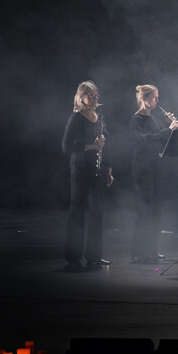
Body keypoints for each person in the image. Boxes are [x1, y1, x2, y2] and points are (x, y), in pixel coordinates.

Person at [129, 84, 178, 263]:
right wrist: (168, 130)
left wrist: (173, 129)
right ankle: (139, 252)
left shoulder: (153, 119)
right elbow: (146, 139)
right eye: (154, 97)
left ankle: (152, 249)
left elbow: (161, 139)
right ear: (144, 99)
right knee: (145, 210)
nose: (157, 101)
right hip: (142, 168)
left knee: (156, 210)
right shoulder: (136, 119)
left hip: (155, 166)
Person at [62, 81, 113, 270]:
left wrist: (109, 169)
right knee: (78, 211)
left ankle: (94, 256)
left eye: (95, 95)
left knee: (97, 212)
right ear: (81, 97)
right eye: (90, 95)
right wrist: (90, 146)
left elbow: (105, 146)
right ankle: (73, 258)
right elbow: (67, 146)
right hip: (81, 168)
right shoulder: (76, 118)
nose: (94, 98)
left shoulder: (99, 118)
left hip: (98, 169)